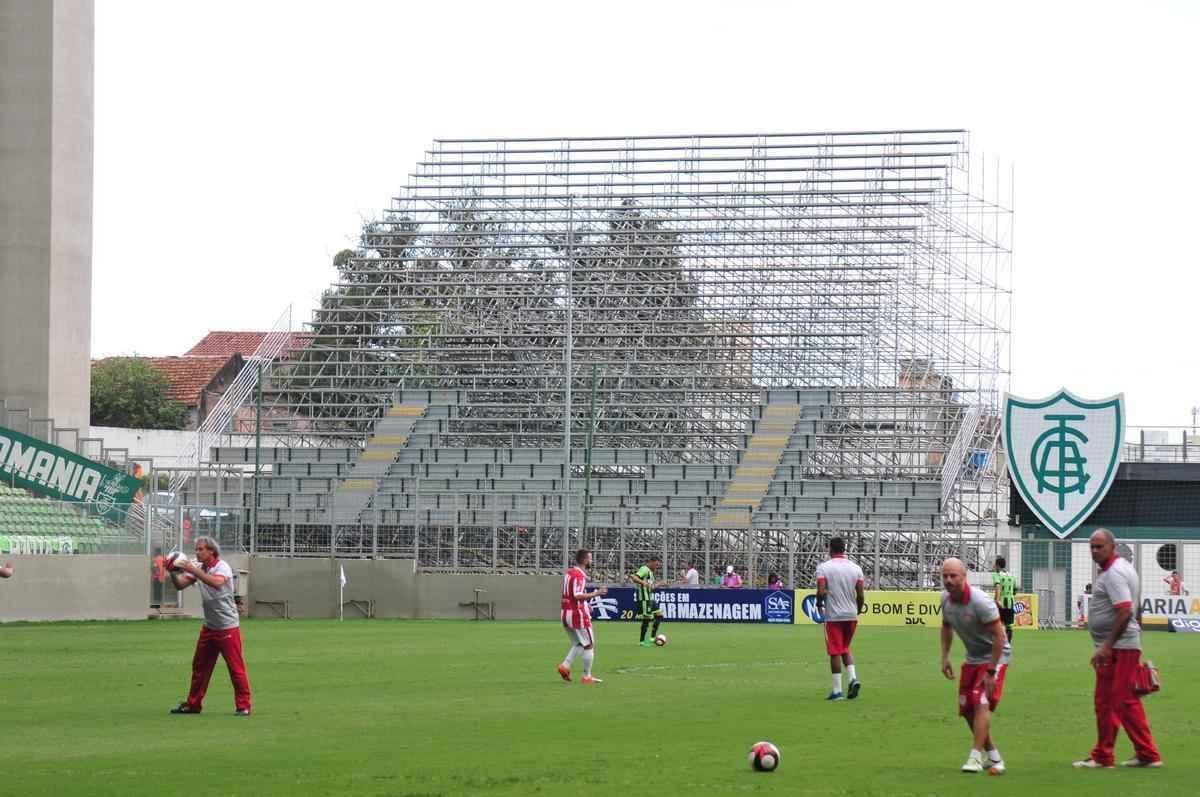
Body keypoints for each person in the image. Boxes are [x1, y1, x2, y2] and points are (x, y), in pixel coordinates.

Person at [1073, 529, 1162, 769]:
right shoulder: (1121, 568)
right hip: (1119, 645)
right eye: (1092, 546)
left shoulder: (1114, 574)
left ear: (1112, 546)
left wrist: (1107, 646)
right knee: (1107, 701)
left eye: (1099, 546)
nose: (1094, 551)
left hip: (1119, 647)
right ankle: (1108, 754)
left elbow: (1125, 611)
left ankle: (1145, 754)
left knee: (1122, 700)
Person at [940, 557, 1010, 774]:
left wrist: (991, 671)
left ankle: (975, 757)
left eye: (953, 576)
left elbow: (1000, 636)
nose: (949, 580)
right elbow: (946, 627)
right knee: (967, 709)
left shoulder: (981, 602)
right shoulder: (945, 599)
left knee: (981, 702)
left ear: (964, 576)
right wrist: (945, 657)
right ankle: (994, 756)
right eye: (945, 576)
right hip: (972, 658)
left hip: (995, 656)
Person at [168, 536, 253, 715]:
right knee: (199, 666)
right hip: (210, 626)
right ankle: (193, 705)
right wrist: (173, 572)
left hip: (227, 626)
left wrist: (191, 568)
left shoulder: (222, 567)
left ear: (211, 551)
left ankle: (243, 706)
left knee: (235, 667)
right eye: (196, 549)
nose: (197, 552)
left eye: (201, 549)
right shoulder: (199, 567)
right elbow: (180, 585)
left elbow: (215, 582)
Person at [815, 537, 865, 700]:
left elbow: (821, 591)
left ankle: (837, 691)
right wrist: (857, 609)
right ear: (844, 549)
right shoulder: (856, 568)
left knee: (835, 651)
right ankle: (852, 678)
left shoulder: (824, 568)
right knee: (845, 647)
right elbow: (861, 594)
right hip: (851, 614)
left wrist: (819, 604)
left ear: (830, 549)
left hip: (834, 615)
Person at [558, 548, 607, 684]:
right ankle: (587, 677)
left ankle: (565, 666)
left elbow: (570, 594)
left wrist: (586, 605)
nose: (592, 561)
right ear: (585, 560)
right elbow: (577, 595)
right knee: (589, 644)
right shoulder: (579, 575)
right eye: (590, 558)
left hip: (565, 613)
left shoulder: (569, 573)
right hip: (577, 615)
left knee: (579, 643)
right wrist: (596, 593)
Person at [631, 556, 665, 647]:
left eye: (658, 565)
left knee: (659, 615)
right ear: (651, 562)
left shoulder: (651, 573)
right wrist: (643, 583)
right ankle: (642, 641)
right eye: (656, 565)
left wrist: (660, 584)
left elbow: (651, 587)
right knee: (647, 618)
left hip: (649, 597)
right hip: (644, 598)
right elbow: (633, 577)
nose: (656, 567)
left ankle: (652, 638)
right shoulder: (644, 569)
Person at [991, 556, 1017, 642]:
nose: (993, 566)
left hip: (1001, 602)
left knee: (997, 623)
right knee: (1009, 625)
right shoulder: (1011, 575)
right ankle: (1008, 645)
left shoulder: (996, 575)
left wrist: (997, 600)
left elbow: (998, 587)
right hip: (1010, 602)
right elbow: (1015, 590)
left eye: (994, 564)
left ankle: (998, 644)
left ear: (998, 565)